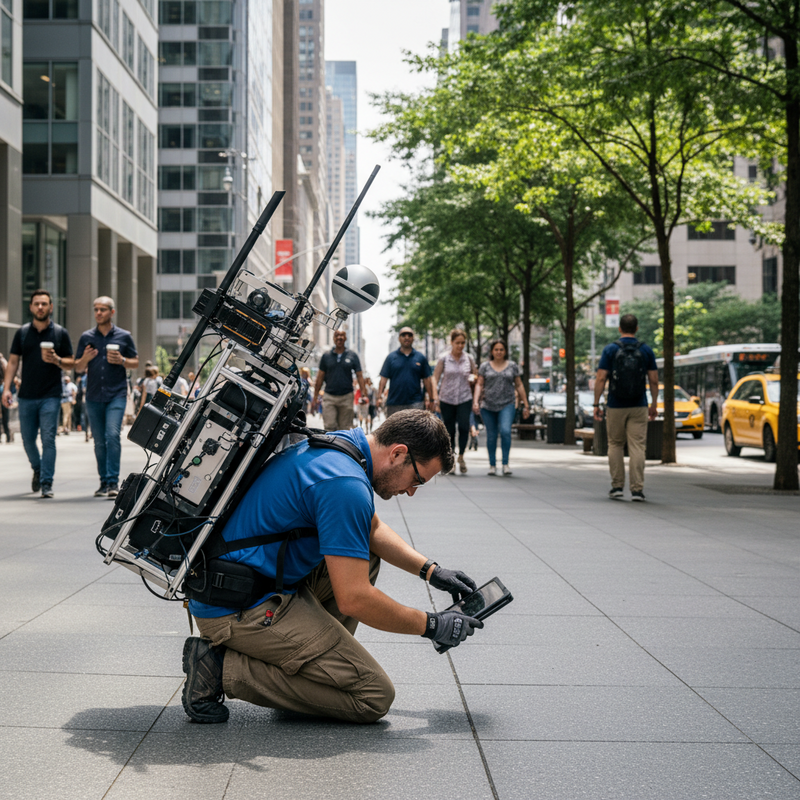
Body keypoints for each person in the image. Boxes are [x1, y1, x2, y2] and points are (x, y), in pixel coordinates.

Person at [181, 409, 483, 724]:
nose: (410, 491)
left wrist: (431, 571)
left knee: (365, 557)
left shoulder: (342, 446)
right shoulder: (345, 483)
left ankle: (311, 666)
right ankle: (220, 668)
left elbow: (370, 528)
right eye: (417, 479)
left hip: (248, 581)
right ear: (398, 453)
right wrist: (431, 625)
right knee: (372, 695)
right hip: (237, 608)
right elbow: (354, 598)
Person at [2, 289, 74, 497]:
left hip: (51, 395)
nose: (40, 307)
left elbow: (71, 362)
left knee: (48, 439)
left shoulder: (60, 333)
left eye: (44, 304)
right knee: (27, 439)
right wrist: (7, 388)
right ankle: (37, 467)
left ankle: (47, 483)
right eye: (37, 304)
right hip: (26, 395)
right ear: (31, 307)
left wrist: (57, 360)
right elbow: (13, 361)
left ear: (51, 307)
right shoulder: (22, 333)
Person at [74, 296, 139, 499]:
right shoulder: (86, 338)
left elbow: (135, 362)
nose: (98, 313)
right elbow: (77, 367)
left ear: (112, 312)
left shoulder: (124, 336)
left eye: (102, 309)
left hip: (116, 394)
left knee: (112, 435)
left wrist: (122, 360)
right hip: (93, 396)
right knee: (99, 441)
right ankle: (103, 482)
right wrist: (85, 358)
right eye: (96, 309)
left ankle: (113, 481)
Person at [593, 313, 658, 501]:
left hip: (615, 404)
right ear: (636, 329)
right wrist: (653, 403)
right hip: (639, 404)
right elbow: (653, 380)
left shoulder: (610, 350)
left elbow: (600, 378)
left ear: (619, 328)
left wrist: (597, 403)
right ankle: (637, 489)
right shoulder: (646, 350)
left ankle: (617, 487)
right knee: (638, 446)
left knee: (615, 444)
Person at [473, 340, 530, 476]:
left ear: (505, 352)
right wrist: (475, 401)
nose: (499, 352)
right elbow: (479, 384)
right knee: (491, 435)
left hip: (507, 404)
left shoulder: (512, 366)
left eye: (501, 350)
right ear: (492, 351)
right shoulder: (485, 366)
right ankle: (492, 465)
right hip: (488, 405)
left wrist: (526, 404)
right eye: (496, 349)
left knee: (505, 431)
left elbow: (519, 384)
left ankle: (505, 464)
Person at [433, 329, 477, 474]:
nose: (460, 346)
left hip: (465, 397)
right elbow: (435, 378)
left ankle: (462, 456)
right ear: (451, 342)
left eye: (463, 343)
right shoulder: (444, 358)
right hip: (447, 398)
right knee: (449, 429)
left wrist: (473, 378)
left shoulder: (469, 358)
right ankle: (450, 458)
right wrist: (435, 398)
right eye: (457, 343)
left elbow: (476, 376)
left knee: (464, 427)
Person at [312, 330, 368, 432]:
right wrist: (315, 397)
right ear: (334, 338)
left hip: (346, 397)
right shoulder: (326, 356)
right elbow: (320, 377)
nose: (339, 337)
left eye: (342, 335)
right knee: (329, 426)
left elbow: (359, 375)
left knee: (344, 429)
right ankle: (331, 447)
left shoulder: (353, 355)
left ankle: (340, 447)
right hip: (329, 396)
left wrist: (363, 394)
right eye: (337, 335)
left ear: (345, 338)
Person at [377, 327, 436, 417]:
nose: (407, 337)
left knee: (416, 430)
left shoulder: (420, 357)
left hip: (416, 403)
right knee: (395, 431)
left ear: (413, 338)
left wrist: (431, 399)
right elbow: (383, 379)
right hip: (394, 403)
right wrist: (379, 397)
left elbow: (427, 380)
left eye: (410, 335)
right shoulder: (391, 358)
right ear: (399, 338)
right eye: (403, 335)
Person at [0, 351, 13, 443]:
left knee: (4, 413)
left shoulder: (2, 361)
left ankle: (6, 436)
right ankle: (8, 436)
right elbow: (8, 374)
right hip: (3, 388)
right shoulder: (3, 360)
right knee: (5, 414)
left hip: (3, 389)